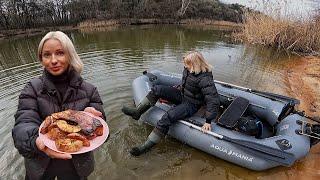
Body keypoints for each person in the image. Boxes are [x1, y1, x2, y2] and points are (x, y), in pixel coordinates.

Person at [12, 31, 106, 180]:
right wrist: (36, 142)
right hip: (40, 167)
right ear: (41, 59)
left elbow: (103, 133)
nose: (53, 60)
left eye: (60, 53)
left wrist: (91, 119)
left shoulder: (90, 90)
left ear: (70, 54)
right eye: (47, 55)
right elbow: (23, 124)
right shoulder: (32, 88)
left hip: (76, 168)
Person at [122, 51, 220, 156]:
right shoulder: (188, 70)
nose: (184, 66)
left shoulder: (205, 78)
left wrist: (208, 121)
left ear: (194, 64)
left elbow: (213, 99)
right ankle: (137, 112)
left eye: (187, 64)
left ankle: (146, 147)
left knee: (168, 116)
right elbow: (187, 83)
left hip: (192, 104)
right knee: (157, 89)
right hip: (183, 95)